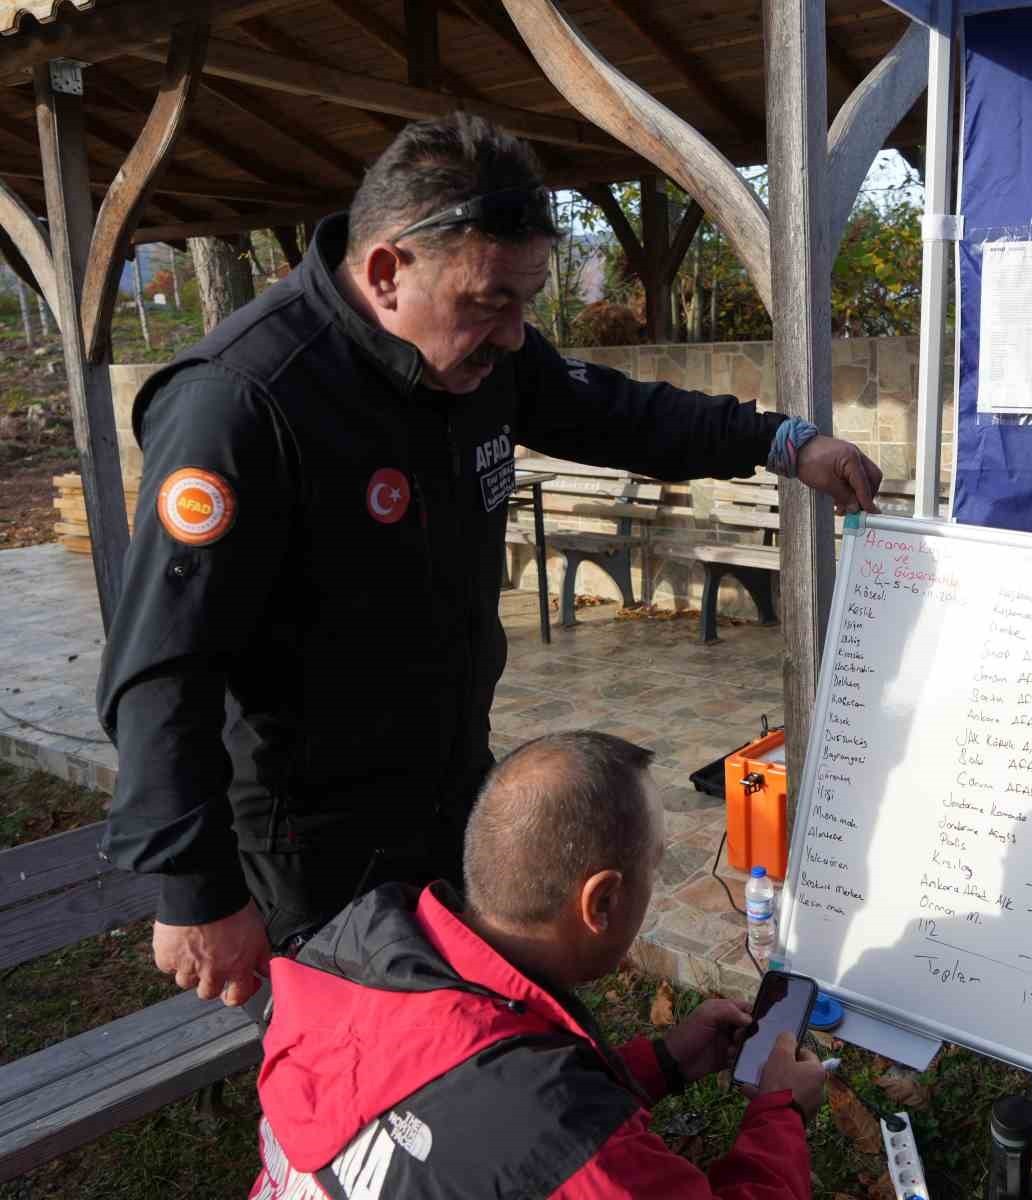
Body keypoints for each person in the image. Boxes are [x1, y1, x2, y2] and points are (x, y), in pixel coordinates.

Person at [96, 113, 883, 1009]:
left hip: (451, 790)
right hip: (312, 840)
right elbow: (163, 670)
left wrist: (781, 441)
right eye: (490, 302)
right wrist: (196, 892)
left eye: (527, 301)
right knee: (366, 1089)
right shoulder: (242, 403)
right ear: (388, 272)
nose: (514, 334)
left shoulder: (481, 356)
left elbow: (616, 412)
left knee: (470, 1041)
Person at [247, 731, 825, 1200]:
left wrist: (665, 1062)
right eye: (655, 867)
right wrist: (781, 1112)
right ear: (602, 902)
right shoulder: (555, 1138)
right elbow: (541, 1136)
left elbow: (451, 1103)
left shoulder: (355, 954)